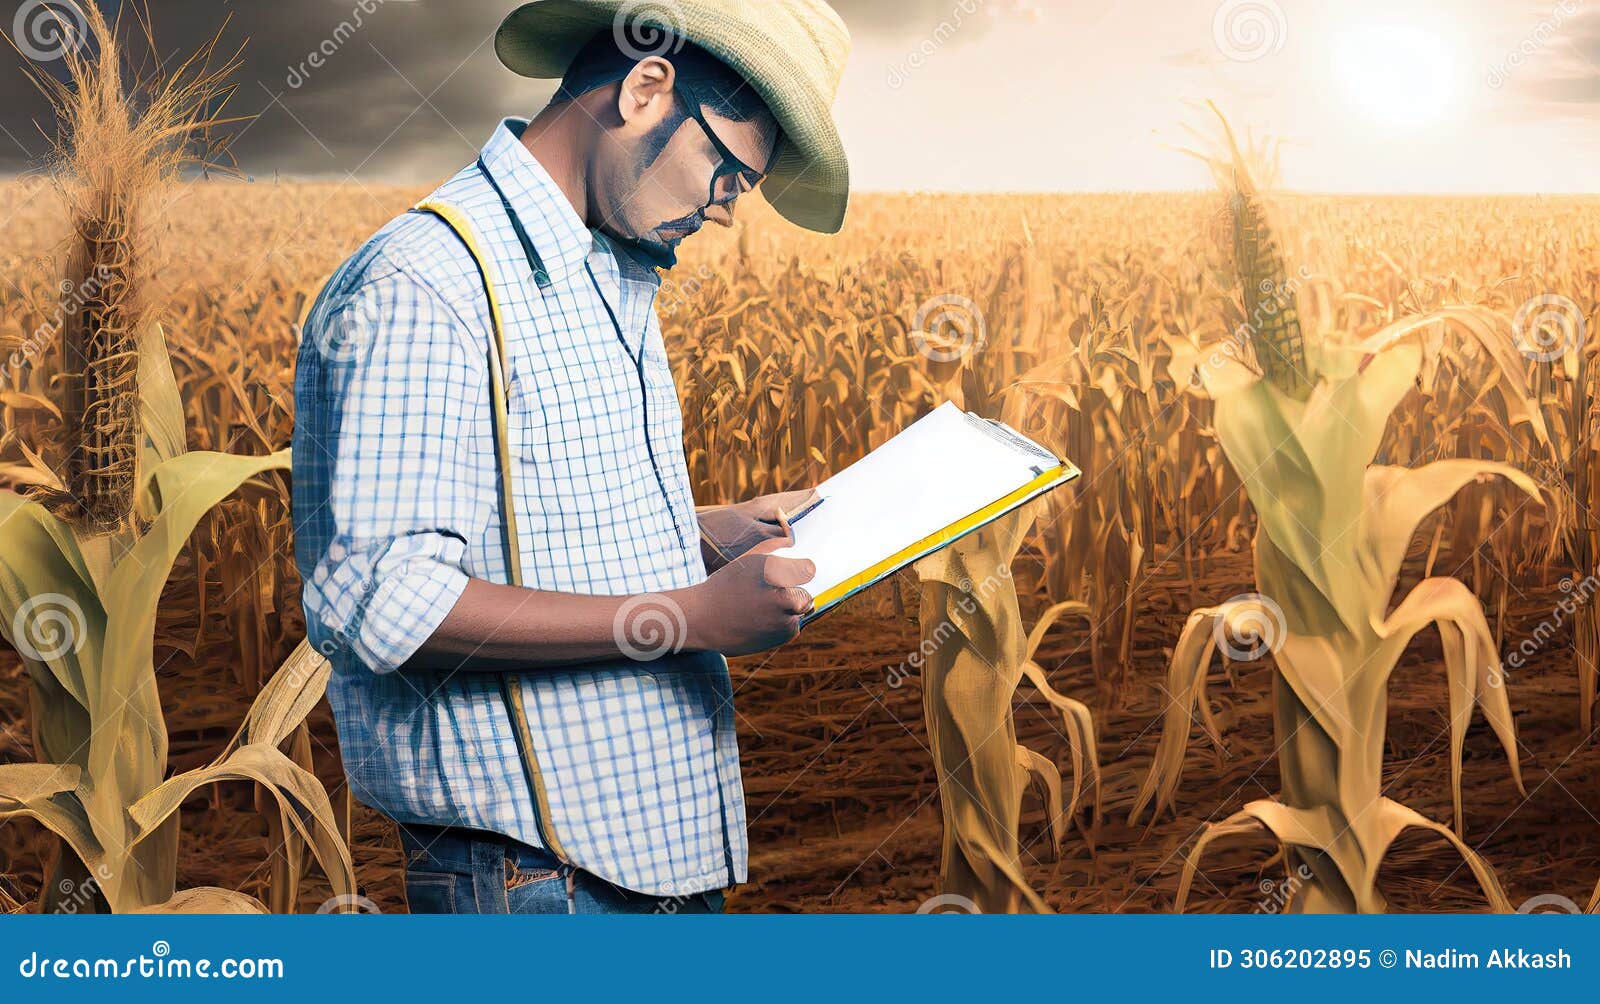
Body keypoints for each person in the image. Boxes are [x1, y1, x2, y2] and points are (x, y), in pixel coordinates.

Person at [291, 0, 851, 914]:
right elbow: (386, 604)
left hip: (646, 856)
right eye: (725, 174)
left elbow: (519, 517)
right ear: (644, 89)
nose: (722, 214)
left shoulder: (613, 267)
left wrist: (700, 533)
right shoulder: (427, 285)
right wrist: (690, 618)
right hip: (535, 884)